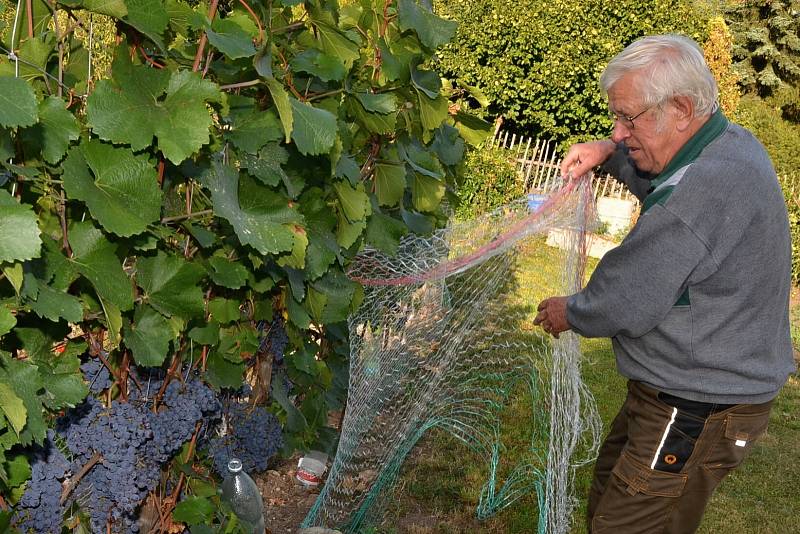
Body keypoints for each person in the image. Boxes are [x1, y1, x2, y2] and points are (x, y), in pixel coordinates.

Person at [533, 34, 796, 533]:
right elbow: (662, 178)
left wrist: (571, 311)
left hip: (697, 406)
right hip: (681, 390)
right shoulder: (724, 144)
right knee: (611, 502)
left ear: (679, 108)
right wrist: (608, 152)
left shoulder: (707, 187)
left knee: (625, 526)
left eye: (628, 119)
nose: (619, 130)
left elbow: (628, 294)